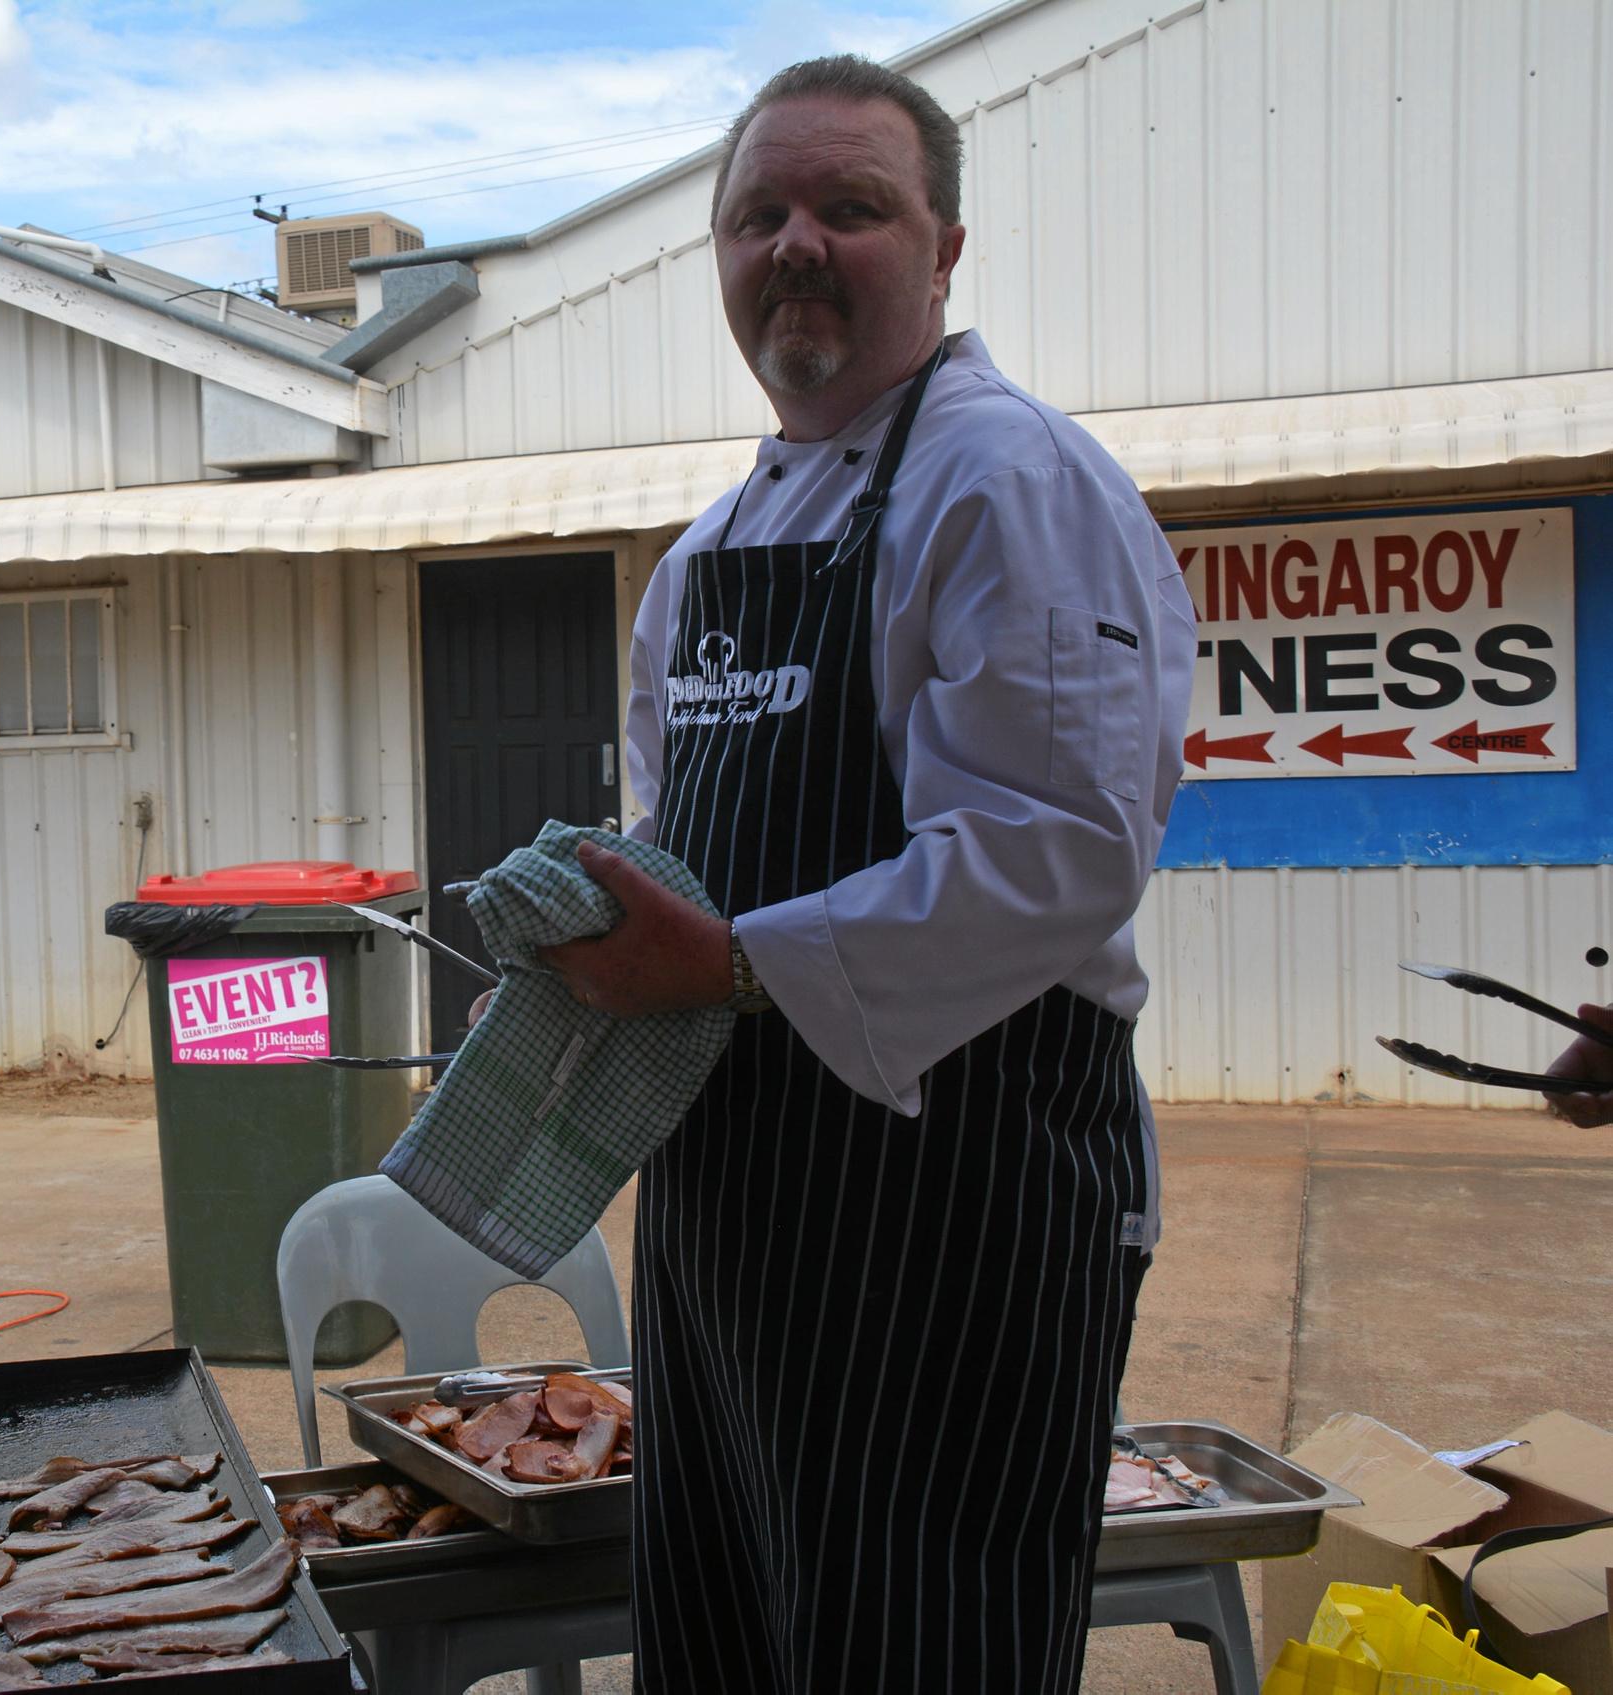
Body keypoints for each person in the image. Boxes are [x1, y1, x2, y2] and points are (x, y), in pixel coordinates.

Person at [536, 55, 1196, 1693]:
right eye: (758, 215)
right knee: (726, 1629)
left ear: (944, 247)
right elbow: (674, 853)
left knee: (918, 1635)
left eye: (852, 207)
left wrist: (731, 963)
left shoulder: (1011, 482)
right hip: (729, 1199)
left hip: (951, 1205)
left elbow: (1059, 850)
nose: (798, 245)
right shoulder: (700, 561)